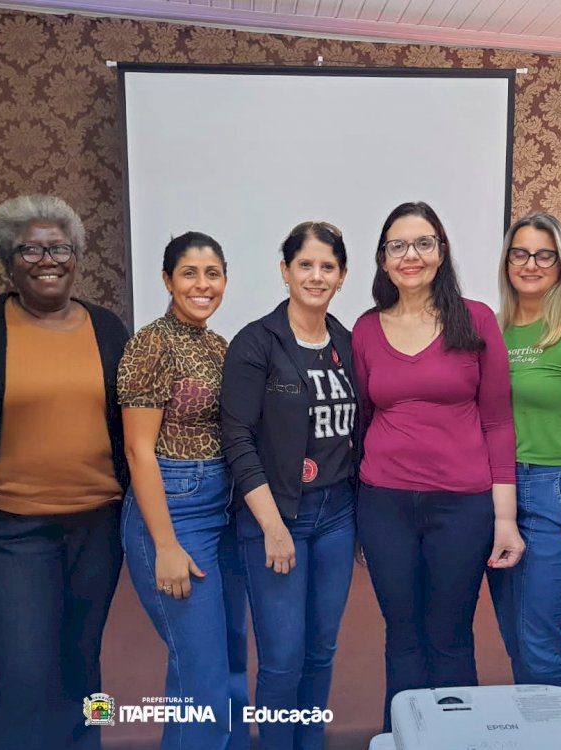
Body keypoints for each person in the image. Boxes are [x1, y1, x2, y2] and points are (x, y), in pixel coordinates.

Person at [0, 194, 128, 750]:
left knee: (86, 664)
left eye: (59, 247)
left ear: (77, 255)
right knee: (23, 675)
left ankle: (88, 742)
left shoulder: (108, 328)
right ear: (8, 262)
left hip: (98, 527)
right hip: (7, 531)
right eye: (31, 249)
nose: (48, 259)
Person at [351, 201, 525, 731]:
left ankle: (457, 740)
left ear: (441, 252)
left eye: (424, 243)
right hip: (385, 505)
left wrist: (504, 518)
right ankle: (407, 737)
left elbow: (498, 422)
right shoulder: (364, 329)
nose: (411, 255)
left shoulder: (475, 320)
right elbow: (359, 423)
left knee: (449, 637)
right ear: (383, 260)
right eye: (398, 245)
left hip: (464, 507)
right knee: (402, 636)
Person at [221, 221, 357, 750]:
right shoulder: (256, 342)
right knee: (282, 659)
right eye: (305, 265)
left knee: (321, 651)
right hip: (275, 519)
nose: (316, 276)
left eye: (328, 267)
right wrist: (272, 526)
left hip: (338, 515)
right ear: (285, 270)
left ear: (342, 276)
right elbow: (237, 438)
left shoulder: (347, 342)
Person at [118, 231, 248, 750]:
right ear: (168, 280)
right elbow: (138, 451)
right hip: (175, 508)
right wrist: (166, 546)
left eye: (212, 273)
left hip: (222, 507)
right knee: (202, 675)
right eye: (189, 273)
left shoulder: (219, 346)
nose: (202, 284)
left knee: (227, 660)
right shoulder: (150, 343)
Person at [489, 212, 561, 692]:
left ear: (560, 262)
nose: (531, 264)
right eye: (520, 253)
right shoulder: (494, 331)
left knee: (541, 645)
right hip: (497, 495)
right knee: (515, 641)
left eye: (543, 254)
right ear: (507, 261)